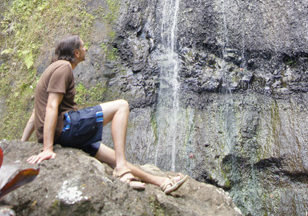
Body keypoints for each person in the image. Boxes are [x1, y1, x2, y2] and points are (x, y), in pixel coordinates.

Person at [21, 35, 188, 193]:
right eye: (83, 46)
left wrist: (22, 143)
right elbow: (51, 106)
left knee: (114, 157)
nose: (86, 48)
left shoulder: (52, 69)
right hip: (66, 129)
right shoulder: (63, 67)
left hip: (63, 135)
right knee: (121, 106)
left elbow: (36, 112)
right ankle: (122, 170)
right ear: (76, 52)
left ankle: (161, 182)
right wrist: (47, 148)